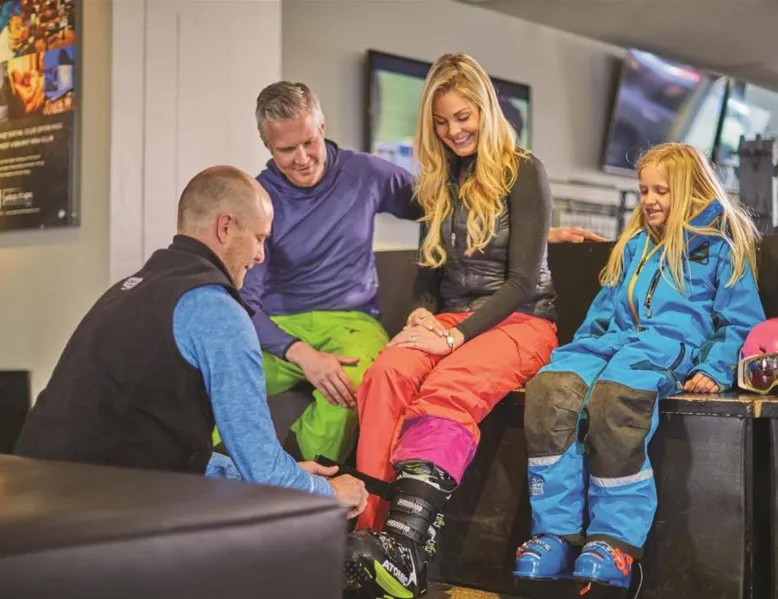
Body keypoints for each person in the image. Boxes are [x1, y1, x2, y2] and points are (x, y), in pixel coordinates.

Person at [234, 80, 607, 466]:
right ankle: (224, 470)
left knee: (354, 381)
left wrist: (529, 231)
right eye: (286, 150)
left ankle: (304, 482)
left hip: (351, 322)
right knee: (223, 374)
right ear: (268, 146)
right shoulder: (258, 200)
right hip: (281, 325)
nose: (302, 158)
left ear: (322, 126)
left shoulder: (365, 172)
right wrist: (301, 353)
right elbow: (245, 301)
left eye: (309, 142)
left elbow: (446, 210)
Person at [13, 165, 367, 516]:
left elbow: (156, 446)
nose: (260, 255)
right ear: (225, 227)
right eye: (259, 239)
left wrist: (276, 475)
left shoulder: (128, 290)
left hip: (33, 497)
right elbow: (266, 471)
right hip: (87, 515)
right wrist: (329, 490)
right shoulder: (215, 307)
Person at [343, 53, 560, 598]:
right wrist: (421, 314)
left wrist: (452, 336)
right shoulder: (440, 179)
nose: (453, 131)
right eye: (441, 122)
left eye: (463, 117)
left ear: (485, 110)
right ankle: (369, 539)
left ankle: (405, 545)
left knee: (448, 387)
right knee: (385, 373)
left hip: (520, 320)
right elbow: (428, 273)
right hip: (451, 319)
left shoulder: (524, 169)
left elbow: (523, 281)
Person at [513, 142, 765, 590]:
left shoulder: (720, 246)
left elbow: (741, 323)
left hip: (669, 349)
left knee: (617, 399)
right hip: (617, 343)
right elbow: (603, 311)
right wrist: (580, 354)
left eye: (661, 191)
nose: (649, 200)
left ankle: (614, 543)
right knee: (550, 389)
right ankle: (555, 533)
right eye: (644, 190)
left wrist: (716, 367)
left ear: (689, 191)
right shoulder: (635, 244)